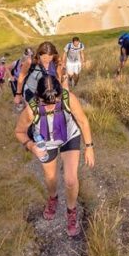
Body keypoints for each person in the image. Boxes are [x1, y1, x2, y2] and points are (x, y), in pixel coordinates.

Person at [14, 74, 95, 237]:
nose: (51, 107)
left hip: (68, 138)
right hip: (46, 143)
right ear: (38, 98)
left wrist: (89, 147)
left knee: (71, 180)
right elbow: (19, 132)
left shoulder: (68, 98)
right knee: (50, 178)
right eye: (46, 103)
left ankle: (71, 212)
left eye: (55, 102)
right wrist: (31, 146)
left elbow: (83, 121)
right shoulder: (31, 109)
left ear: (60, 95)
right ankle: (53, 198)